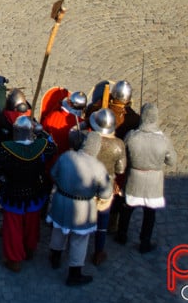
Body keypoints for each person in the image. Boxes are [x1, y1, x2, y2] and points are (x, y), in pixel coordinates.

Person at [0, 115, 56, 272]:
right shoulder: (41, 146)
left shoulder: (5, 149)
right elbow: (52, 147)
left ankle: (14, 259)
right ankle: (29, 249)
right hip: (34, 191)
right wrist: (40, 133)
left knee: (13, 228)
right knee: (32, 224)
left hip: (13, 193)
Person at [48, 132, 112, 286]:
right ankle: (74, 274)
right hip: (83, 207)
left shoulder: (66, 156)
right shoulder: (98, 168)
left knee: (58, 230)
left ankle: (55, 258)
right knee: (79, 240)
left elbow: (53, 173)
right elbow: (105, 192)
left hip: (61, 201)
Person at [115, 103, 176, 254]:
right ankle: (145, 241)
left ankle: (122, 235)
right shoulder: (163, 140)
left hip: (134, 177)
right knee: (150, 214)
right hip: (153, 182)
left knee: (127, 208)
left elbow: (123, 155)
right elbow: (172, 161)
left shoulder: (132, 136)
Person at [86, 109, 126, 266]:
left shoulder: (89, 139)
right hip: (106, 184)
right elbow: (120, 169)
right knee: (102, 221)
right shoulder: (118, 145)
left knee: (83, 215)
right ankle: (98, 251)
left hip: (88, 182)